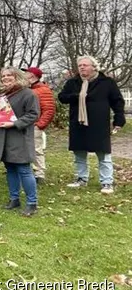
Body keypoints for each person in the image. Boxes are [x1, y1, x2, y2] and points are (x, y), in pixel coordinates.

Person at [58, 55, 125, 194]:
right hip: (78, 122)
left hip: (99, 124)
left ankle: (107, 182)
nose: (82, 67)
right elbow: (62, 97)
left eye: (85, 65)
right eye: (80, 65)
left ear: (94, 67)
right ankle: (82, 178)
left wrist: (119, 119)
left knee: (103, 153)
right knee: (79, 152)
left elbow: (117, 101)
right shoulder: (73, 82)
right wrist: (78, 96)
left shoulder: (106, 82)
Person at [0, 67, 40, 216]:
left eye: (9, 75)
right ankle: (14, 198)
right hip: (2, 137)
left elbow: (33, 114)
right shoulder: (0, 94)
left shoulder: (28, 93)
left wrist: (15, 123)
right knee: (10, 168)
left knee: (24, 169)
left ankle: (32, 202)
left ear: (17, 76)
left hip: (19, 136)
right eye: (3, 76)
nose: (5, 78)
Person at [24, 67, 56, 184]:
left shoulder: (43, 90)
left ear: (32, 76)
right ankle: (27, 171)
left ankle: (39, 174)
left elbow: (49, 110)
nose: (24, 75)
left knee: (36, 149)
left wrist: (40, 125)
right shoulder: (29, 89)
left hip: (34, 125)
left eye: (26, 73)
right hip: (26, 124)